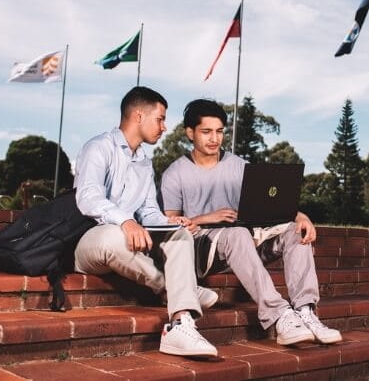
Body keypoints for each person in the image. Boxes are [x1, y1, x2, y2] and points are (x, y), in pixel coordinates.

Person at [160, 99, 342, 346]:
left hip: (243, 245)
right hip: (202, 250)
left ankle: (305, 311)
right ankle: (279, 314)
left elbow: (271, 205)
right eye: (206, 132)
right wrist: (204, 218)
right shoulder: (175, 173)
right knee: (237, 235)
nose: (214, 138)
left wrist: (302, 218)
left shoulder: (238, 166)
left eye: (219, 131)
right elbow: (169, 223)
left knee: (293, 232)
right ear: (190, 133)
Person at [73, 86, 218, 357]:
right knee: (113, 235)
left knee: (179, 235)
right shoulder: (99, 147)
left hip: (128, 244)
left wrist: (171, 222)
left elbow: (149, 211)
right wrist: (126, 221)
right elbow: (88, 198)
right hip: (89, 242)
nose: (164, 127)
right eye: (160, 119)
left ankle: (179, 325)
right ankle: (179, 288)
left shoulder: (144, 162)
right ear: (139, 116)